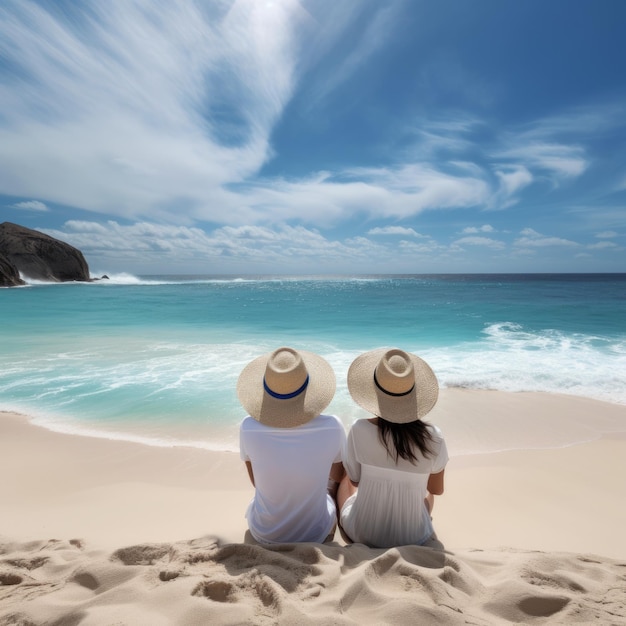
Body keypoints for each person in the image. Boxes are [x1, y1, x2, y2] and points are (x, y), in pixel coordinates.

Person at [337, 348, 448, 548]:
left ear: (375, 393)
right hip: (415, 538)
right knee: (427, 493)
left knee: (345, 475)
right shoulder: (434, 437)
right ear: (414, 394)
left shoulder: (359, 430)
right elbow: (436, 489)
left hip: (362, 534)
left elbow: (355, 479)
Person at [238, 346, 346, 544]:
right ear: (309, 388)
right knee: (338, 479)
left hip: (264, 533)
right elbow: (338, 476)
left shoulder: (248, 427)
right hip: (316, 535)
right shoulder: (332, 426)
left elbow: (256, 482)